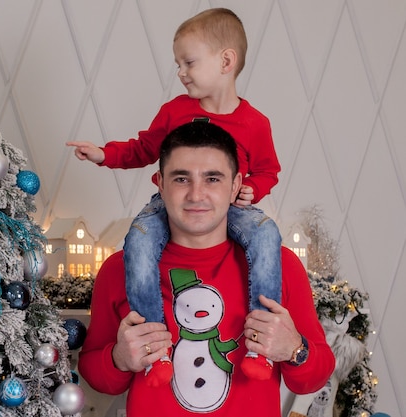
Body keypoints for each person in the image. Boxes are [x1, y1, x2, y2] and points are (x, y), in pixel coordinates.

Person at [67, 8, 281, 383]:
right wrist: (104, 155)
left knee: (267, 233)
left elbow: (268, 169)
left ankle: (259, 348)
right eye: (178, 64)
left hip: (234, 207)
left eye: (189, 62)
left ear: (226, 61)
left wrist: (253, 189)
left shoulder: (255, 123)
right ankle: (154, 349)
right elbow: (142, 148)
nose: (180, 72)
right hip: (167, 210)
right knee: (139, 237)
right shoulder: (175, 111)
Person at [77, 121, 335, 416]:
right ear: (160, 183)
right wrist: (118, 358)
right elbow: (94, 373)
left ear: (235, 185)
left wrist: (295, 349)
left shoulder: (281, 265)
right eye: (181, 179)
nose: (196, 195)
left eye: (212, 179)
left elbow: (315, 377)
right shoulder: (119, 269)